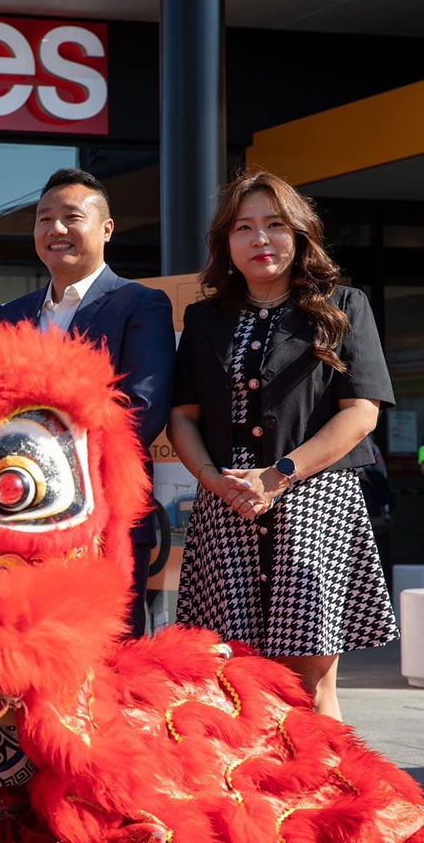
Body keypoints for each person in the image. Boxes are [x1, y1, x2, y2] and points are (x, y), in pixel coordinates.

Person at [167, 170, 396, 720]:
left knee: (309, 685)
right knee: (227, 681)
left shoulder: (342, 305)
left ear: (299, 235)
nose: (259, 239)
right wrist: (214, 481)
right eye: (243, 228)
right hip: (227, 508)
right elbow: (181, 417)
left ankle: (324, 801)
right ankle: (248, 801)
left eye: (274, 225)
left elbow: (362, 414)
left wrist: (279, 474)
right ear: (226, 242)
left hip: (315, 505)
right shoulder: (203, 318)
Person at [0, 168, 175, 637]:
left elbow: (142, 409)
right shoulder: (11, 314)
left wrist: (53, 467)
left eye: (71, 217)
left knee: (108, 657)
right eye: (44, 219)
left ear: (106, 228)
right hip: (16, 519)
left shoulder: (140, 304)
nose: (55, 230)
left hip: (103, 516)